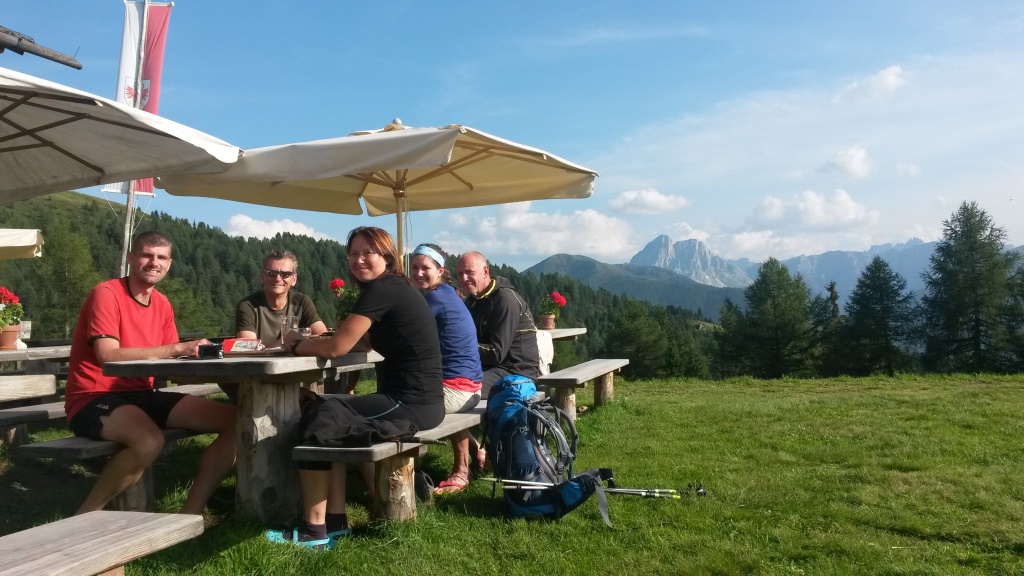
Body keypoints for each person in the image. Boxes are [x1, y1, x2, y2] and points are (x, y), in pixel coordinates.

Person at [272, 226, 443, 549]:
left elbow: (337, 349)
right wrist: (324, 339)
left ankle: (313, 531)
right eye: (353, 254)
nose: (358, 260)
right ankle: (336, 522)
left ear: (387, 257)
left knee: (318, 416)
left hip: (410, 405)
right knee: (325, 407)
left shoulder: (384, 288)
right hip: (419, 401)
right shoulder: (396, 286)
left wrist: (296, 344)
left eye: (367, 253)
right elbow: (360, 342)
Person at [64, 231, 236, 515]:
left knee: (239, 421)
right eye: (147, 255)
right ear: (132, 258)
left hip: (143, 394)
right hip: (93, 397)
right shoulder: (106, 293)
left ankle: (189, 514)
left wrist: (220, 364)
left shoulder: (162, 303)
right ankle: (84, 517)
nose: (154, 262)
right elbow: (107, 355)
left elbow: (174, 361)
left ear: (169, 263)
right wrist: (178, 348)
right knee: (148, 442)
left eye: (161, 257)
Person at [410, 243, 483, 494]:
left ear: (440, 271)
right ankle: (476, 452)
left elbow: (407, 335)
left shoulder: (435, 298)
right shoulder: (448, 293)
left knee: (404, 404)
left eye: (425, 268)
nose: (419, 273)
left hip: (458, 390)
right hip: (471, 387)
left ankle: (461, 470)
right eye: (414, 268)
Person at [224, 249, 329, 400]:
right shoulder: (248, 305)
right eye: (271, 273)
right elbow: (248, 346)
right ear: (262, 276)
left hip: (290, 372)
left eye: (285, 274)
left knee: (309, 400)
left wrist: (293, 341)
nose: (278, 278)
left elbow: (322, 335)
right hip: (254, 376)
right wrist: (294, 342)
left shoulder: (302, 302)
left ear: (294, 279)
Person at [457, 251, 540, 390]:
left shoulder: (505, 299)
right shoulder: (473, 301)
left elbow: (496, 353)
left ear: (485, 271)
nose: (464, 278)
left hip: (515, 372)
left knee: (455, 387)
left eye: (469, 272)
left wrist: (458, 345)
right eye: (460, 274)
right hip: (488, 368)